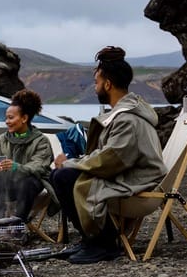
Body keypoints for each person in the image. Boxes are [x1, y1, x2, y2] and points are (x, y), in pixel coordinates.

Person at [51, 46, 167, 264]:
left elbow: (111, 159)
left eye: (96, 83)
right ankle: (90, 240)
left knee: (63, 176)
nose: (95, 89)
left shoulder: (127, 119)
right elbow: (109, 156)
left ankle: (103, 244)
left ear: (107, 84)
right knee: (61, 175)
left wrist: (69, 163)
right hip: (126, 174)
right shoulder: (125, 113)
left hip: (137, 183)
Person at [0, 88, 56, 222]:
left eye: (11, 118)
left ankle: (17, 224)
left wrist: (16, 167)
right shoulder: (2, 140)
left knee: (27, 181)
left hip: (32, 187)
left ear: (24, 118)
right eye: (6, 118)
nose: (7, 121)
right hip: (9, 185)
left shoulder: (41, 141)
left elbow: (38, 167)